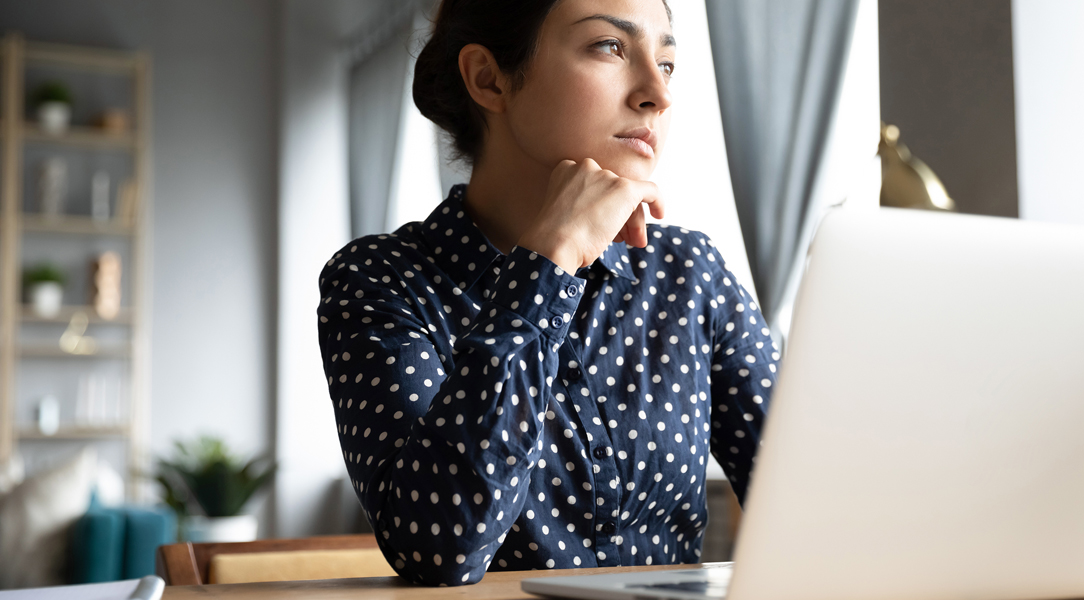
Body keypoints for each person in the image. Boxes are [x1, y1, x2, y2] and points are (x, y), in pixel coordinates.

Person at [317, 0, 778, 586]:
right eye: (609, 47)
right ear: (489, 78)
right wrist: (547, 263)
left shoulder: (688, 272)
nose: (656, 95)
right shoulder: (381, 281)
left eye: (665, 63)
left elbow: (810, 508)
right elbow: (438, 550)